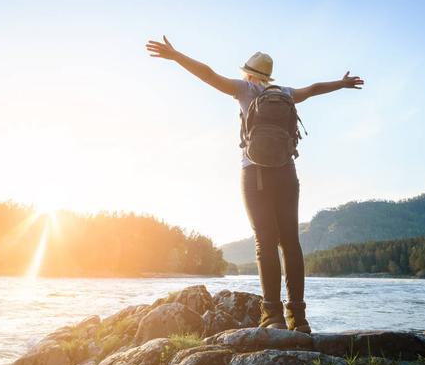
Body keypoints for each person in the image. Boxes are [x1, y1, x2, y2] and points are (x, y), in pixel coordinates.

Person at [146, 36, 364, 333]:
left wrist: (176, 56)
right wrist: (341, 83)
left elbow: (207, 73)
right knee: (291, 243)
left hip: (255, 174)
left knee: (265, 243)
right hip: (287, 174)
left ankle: (272, 315)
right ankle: (299, 319)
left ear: (248, 74)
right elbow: (313, 89)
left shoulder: (244, 89)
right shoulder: (285, 93)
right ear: (268, 76)